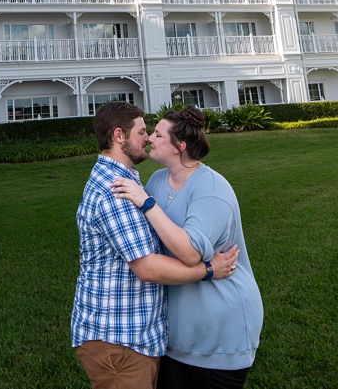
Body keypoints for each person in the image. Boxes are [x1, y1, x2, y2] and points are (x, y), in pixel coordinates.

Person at [72, 101, 240, 389]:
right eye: (142, 131)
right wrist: (209, 269)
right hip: (118, 339)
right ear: (119, 136)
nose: (147, 137)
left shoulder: (129, 183)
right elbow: (148, 268)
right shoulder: (115, 191)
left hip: (130, 338)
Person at [111, 107, 262, 389]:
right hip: (175, 338)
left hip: (219, 335)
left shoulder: (211, 188)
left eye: (158, 134)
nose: (150, 139)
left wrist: (146, 203)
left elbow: (191, 252)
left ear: (179, 146)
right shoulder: (156, 181)